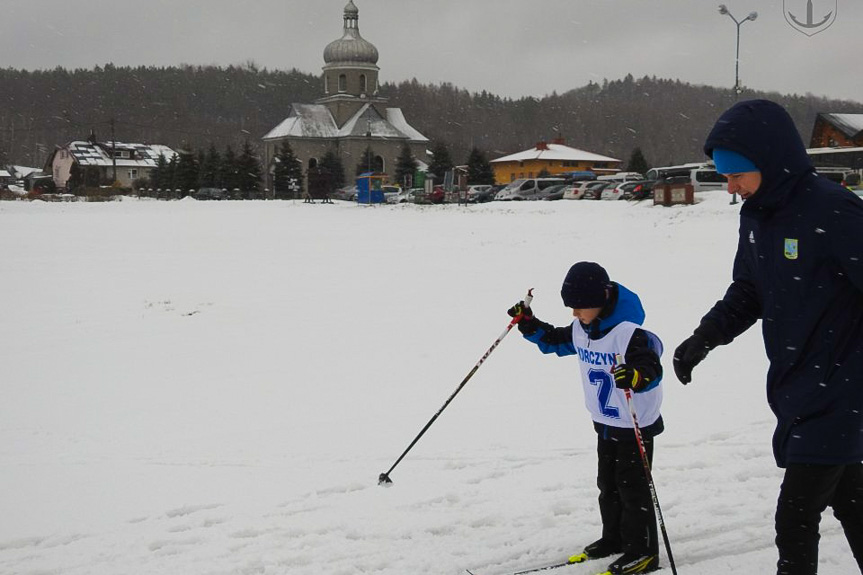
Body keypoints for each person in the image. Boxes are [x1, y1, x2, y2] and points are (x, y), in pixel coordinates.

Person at [672, 99, 863, 575]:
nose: (731, 187)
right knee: (854, 503)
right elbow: (749, 290)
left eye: (737, 174)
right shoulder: (757, 216)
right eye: (725, 177)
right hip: (797, 387)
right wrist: (705, 336)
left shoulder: (833, 209)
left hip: (842, 391)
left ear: (771, 160)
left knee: (795, 517)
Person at [508, 261, 664, 575]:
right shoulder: (583, 328)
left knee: (633, 489)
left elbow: (652, 368)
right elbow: (553, 340)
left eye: (580, 307)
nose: (575, 314)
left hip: (634, 424)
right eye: (572, 307)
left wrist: (634, 376)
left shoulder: (630, 333)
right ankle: (615, 538)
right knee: (608, 485)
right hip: (605, 421)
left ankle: (643, 552)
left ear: (602, 300)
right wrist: (528, 322)